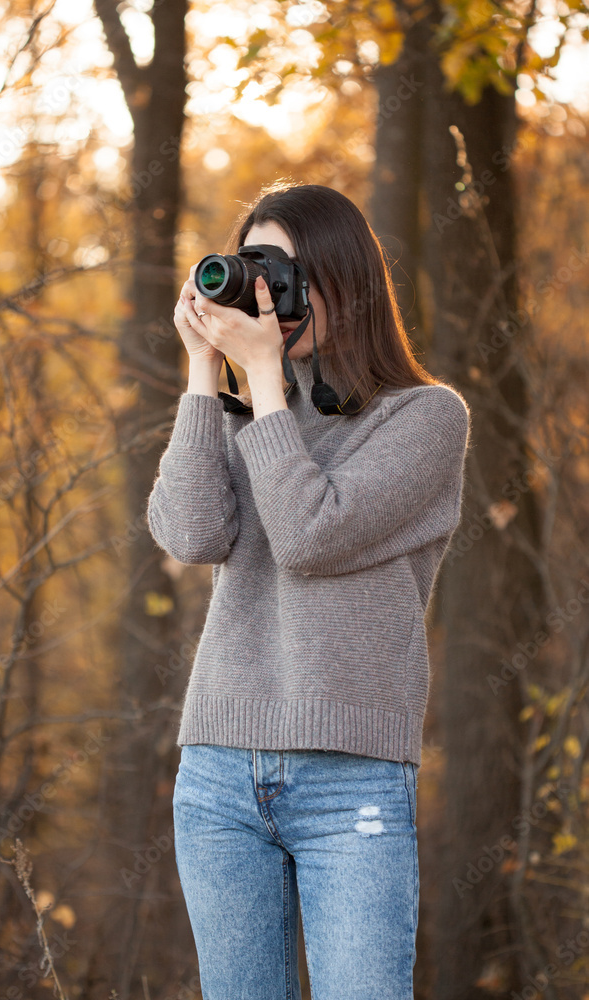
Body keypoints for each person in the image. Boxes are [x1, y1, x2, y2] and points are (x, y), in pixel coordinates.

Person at [146, 182, 471, 1000]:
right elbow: (188, 534)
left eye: (284, 275)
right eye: (253, 268)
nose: (265, 296)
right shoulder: (247, 412)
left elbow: (308, 535)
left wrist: (260, 386)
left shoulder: (424, 419)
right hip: (218, 770)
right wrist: (201, 370)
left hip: (351, 781)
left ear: (345, 282)